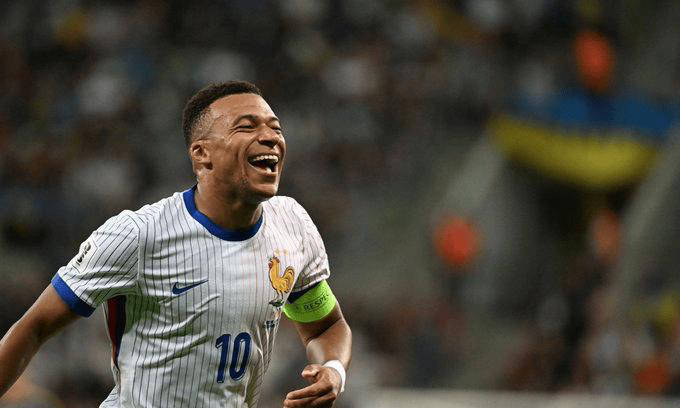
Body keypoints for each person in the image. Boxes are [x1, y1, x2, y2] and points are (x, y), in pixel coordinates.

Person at [0, 81, 352, 408]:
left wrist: (333, 369)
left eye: (275, 128)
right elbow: (35, 326)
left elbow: (325, 326)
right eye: (246, 127)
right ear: (202, 154)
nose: (270, 137)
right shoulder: (139, 235)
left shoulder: (291, 225)